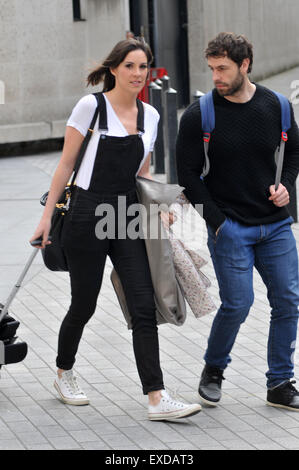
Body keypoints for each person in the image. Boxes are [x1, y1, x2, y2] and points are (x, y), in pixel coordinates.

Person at [30, 38, 201, 421]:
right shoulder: (91, 107)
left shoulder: (151, 116)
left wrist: (157, 210)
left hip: (126, 214)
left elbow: (141, 172)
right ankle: (63, 371)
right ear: (113, 69)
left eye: (143, 67)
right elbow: (65, 165)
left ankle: (156, 397)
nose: (138, 74)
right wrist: (45, 221)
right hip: (87, 214)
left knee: (142, 305)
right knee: (84, 304)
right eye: (130, 66)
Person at [176, 32, 299, 411]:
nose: (215, 76)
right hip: (231, 227)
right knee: (238, 304)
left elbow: (293, 151)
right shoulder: (200, 115)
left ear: (245, 65)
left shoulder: (277, 106)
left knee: (289, 301)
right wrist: (217, 223)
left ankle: (280, 382)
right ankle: (213, 370)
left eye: (223, 68)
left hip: (275, 225)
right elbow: (188, 175)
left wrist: (287, 186)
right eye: (212, 68)